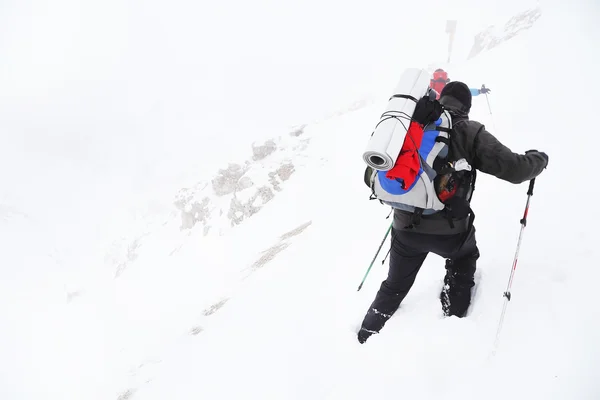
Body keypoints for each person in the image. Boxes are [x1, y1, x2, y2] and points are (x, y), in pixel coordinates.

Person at [357, 81, 548, 344]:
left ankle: (366, 334)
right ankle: (453, 323)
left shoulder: (412, 125)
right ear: (466, 107)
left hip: (404, 227)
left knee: (395, 285)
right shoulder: (468, 130)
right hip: (451, 232)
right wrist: (539, 159)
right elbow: (515, 169)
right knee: (463, 259)